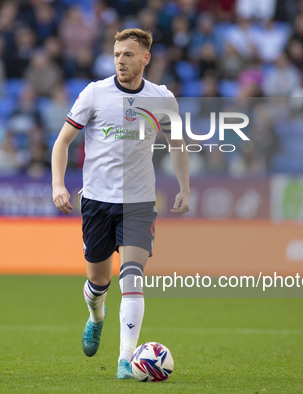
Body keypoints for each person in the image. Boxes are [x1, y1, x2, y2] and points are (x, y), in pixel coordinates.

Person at [51, 28, 190, 380]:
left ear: (146, 58)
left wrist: (185, 189)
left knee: (132, 277)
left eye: (128, 54)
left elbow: (177, 144)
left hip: (139, 203)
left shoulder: (162, 99)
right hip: (97, 201)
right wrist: (58, 185)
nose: (121, 61)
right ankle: (96, 317)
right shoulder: (95, 93)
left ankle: (125, 360)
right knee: (99, 281)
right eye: (116, 55)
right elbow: (62, 142)